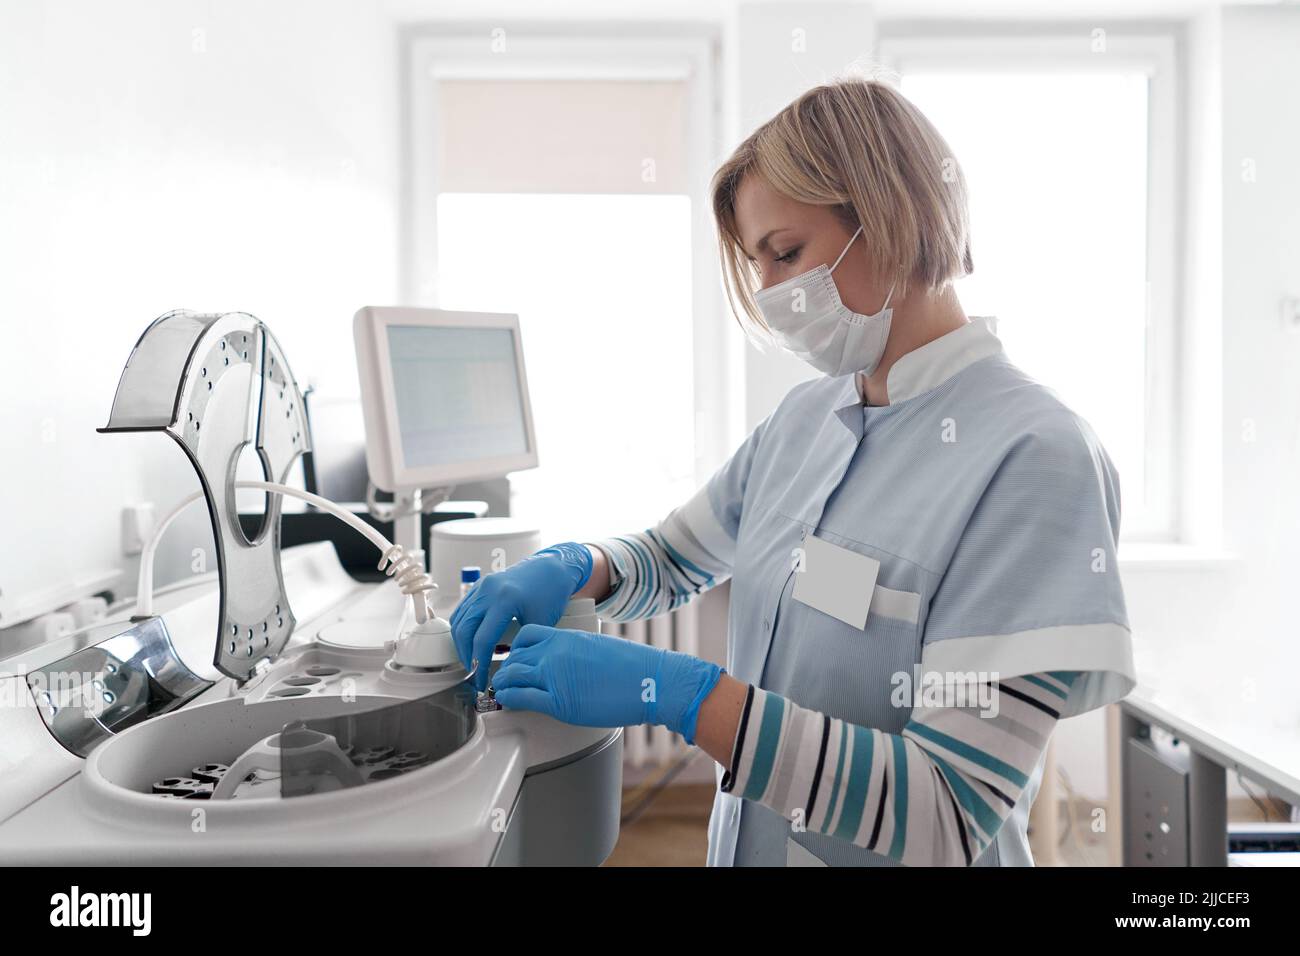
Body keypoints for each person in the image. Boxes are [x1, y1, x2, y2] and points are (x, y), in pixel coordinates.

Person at [450, 77, 1134, 867]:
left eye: (787, 253)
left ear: (894, 213)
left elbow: (949, 807)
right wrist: (582, 566)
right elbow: (673, 558)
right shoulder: (804, 422)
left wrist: (686, 696)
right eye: (758, 263)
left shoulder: (1036, 459)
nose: (773, 293)